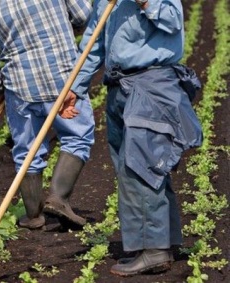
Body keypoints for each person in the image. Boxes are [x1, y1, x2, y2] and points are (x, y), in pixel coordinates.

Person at [69, 0, 203, 276]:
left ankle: (154, 250)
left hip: (150, 85)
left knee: (142, 167)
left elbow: (173, 20)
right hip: (119, 86)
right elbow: (94, 42)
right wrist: (74, 86)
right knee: (130, 168)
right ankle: (161, 241)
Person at [0, 0, 95, 229]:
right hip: (63, 76)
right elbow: (82, 14)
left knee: (27, 148)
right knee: (77, 136)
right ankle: (58, 199)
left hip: (20, 85)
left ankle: (34, 216)